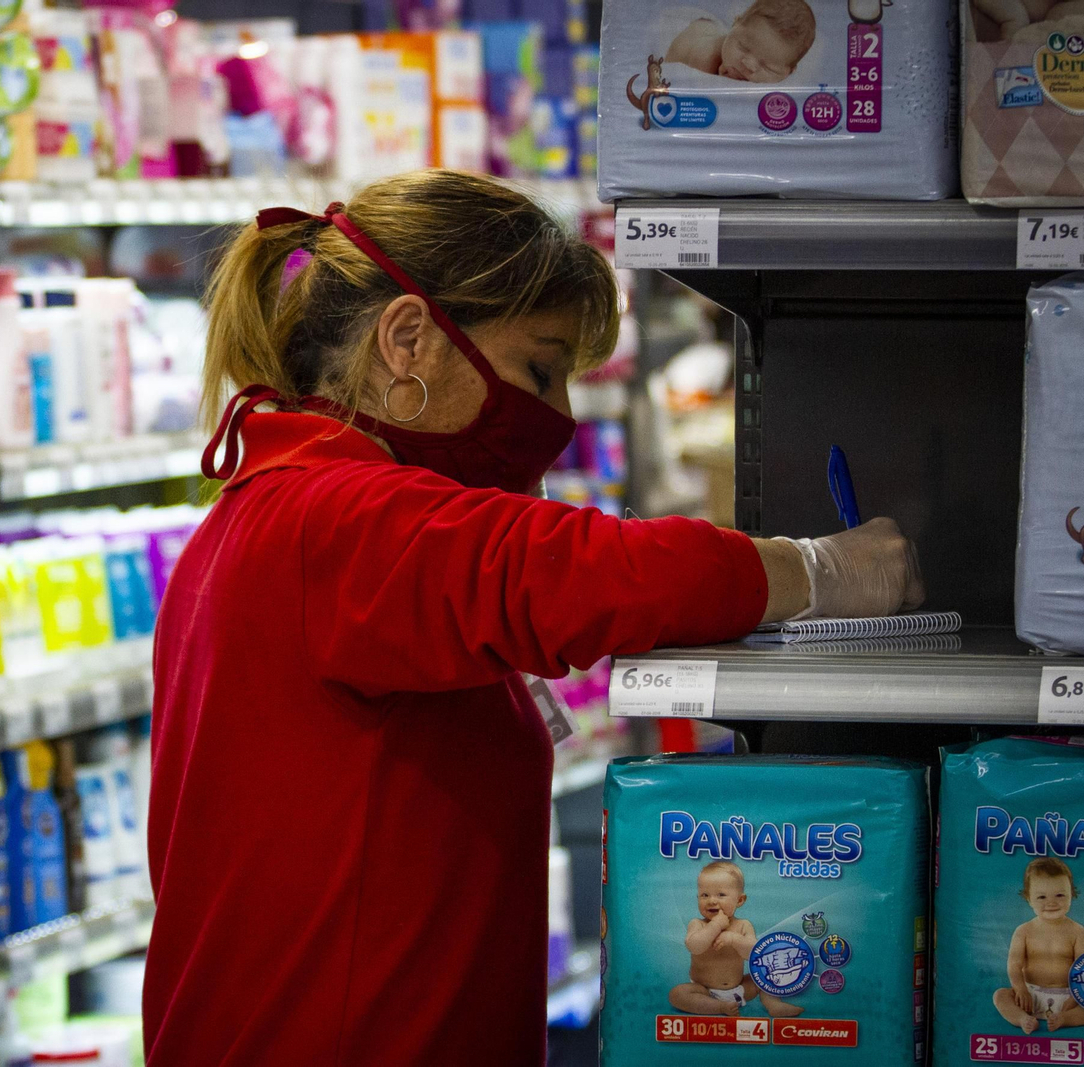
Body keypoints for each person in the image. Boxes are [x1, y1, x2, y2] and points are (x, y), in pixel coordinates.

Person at [144, 169, 923, 1065]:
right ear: (408, 341)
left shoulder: (271, 505)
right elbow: (586, 572)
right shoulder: (339, 517)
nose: (555, 416)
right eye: (538, 368)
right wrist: (823, 568)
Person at [668, 861, 801, 1018]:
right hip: (703, 990)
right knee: (677, 994)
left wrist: (733, 939)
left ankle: (774, 1005)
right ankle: (718, 1007)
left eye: (721, 895)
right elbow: (694, 946)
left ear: (739, 900)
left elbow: (753, 954)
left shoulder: (743, 925)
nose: (711, 900)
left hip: (740, 989)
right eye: (705, 895)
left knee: (766, 976)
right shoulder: (697, 924)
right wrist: (716, 925)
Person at [995, 858, 1084, 1033]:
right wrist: (1020, 989)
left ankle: (1064, 1019)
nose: (1051, 903)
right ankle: (1023, 1019)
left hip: (1069, 995)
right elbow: (1014, 965)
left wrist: (1075, 998)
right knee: (1001, 995)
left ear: (1071, 894)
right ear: (1029, 899)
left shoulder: (1078, 932)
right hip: (1030, 996)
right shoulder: (1024, 931)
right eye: (1042, 897)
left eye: (1060, 895)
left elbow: (1082, 969)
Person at [666, 0, 816, 82]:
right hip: (689, 28)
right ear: (734, 24)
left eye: (767, 67)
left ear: (789, 72)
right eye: (743, 47)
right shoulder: (704, 59)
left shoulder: (788, 82)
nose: (748, 64)